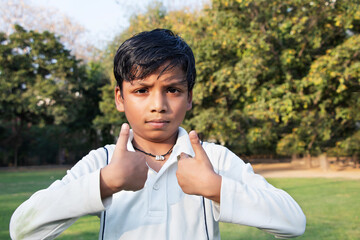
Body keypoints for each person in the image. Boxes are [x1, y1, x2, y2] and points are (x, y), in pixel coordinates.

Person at [10, 29, 306, 240]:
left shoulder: (212, 158)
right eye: (141, 90)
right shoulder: (103, 160)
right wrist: (106, 182)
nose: (158, 105)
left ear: (189, 97)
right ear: (120, 97)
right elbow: (22, 229)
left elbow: (293, 222)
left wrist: (215, 187)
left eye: (173, 90)